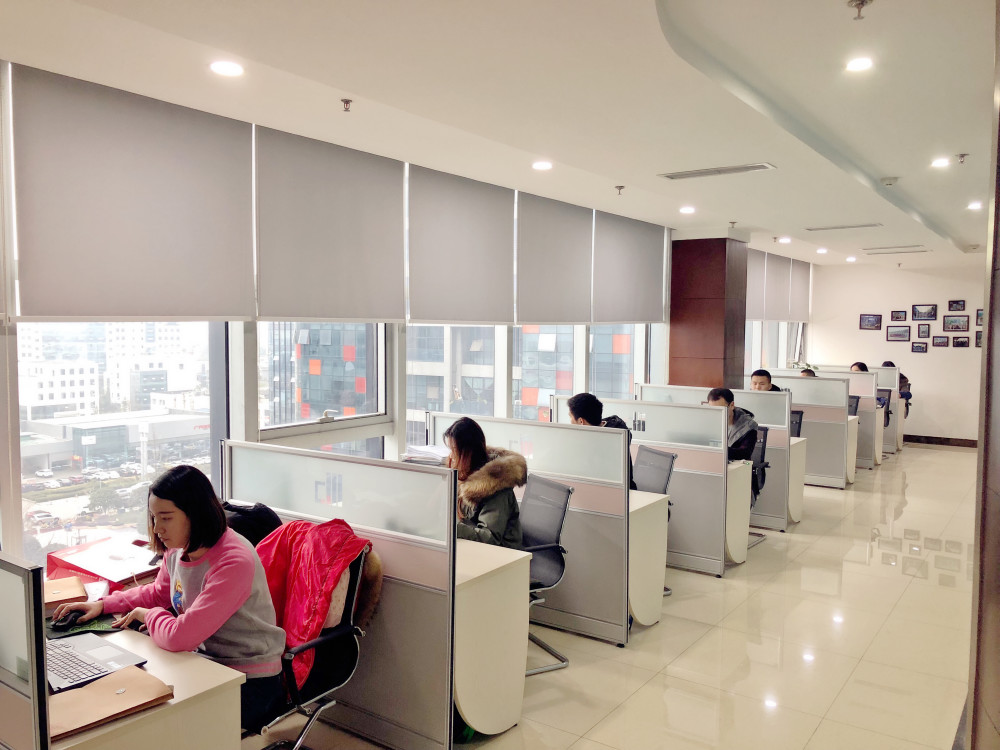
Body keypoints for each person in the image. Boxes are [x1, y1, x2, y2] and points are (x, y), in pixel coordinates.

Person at [52, 465, 287, 732]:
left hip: (249, 678)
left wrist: (149, 615)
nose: (157, 528)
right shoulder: (178, 548)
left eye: (166, 518)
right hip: (203, 661)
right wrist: (103, 605)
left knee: (157, 722)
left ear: (195, 514)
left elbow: (179, 637)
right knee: (128, 701)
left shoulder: (234, 561)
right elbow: (158, 593)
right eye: (153, 517)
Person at [444, 416, 526, 548]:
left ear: (469, 452)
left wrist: (452, 528)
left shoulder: (495, 485)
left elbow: (490, 537)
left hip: (503, 554)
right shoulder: (464, 474)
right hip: (472, 547)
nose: (451, 456)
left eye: (455, 450)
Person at [567, 392, 638, 490]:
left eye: (570, 417)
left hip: (618, 494)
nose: (570, 421)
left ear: (581, 421)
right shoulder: (608, 431)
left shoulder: (606, 443)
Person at [706, 387, 758, 461]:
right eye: (713, 410)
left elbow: (745, 453)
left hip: (737, 464)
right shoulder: (707, 422)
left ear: (732, 405)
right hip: (712, 460)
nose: (717, 413)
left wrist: (718, 449)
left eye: (721, 409)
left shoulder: (749, 426)